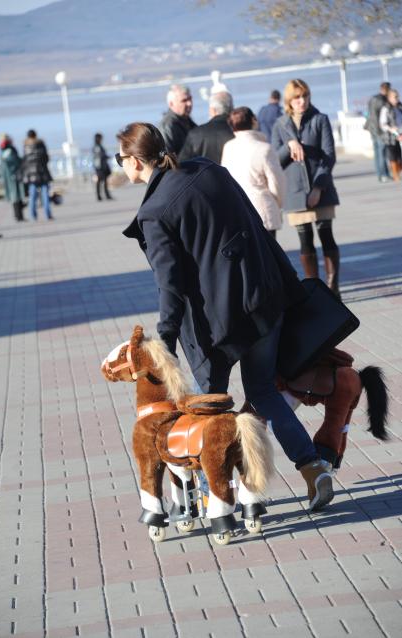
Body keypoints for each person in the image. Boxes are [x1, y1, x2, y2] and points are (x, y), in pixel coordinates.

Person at [117, 121, 334, 512]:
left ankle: (226, 497)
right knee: (264, 393)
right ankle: (312, 466)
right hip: (263, 298)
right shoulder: (208, 170)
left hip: (216, 324)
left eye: (121, 159)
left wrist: (163, 341)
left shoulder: (154, 211)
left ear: (134, 161)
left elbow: (170, 285)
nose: (121, 165)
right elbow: (254, 225)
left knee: (208, 411)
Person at [272, 79, 341, 297]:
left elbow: (329, 155)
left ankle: (333, 288)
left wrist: (318, 188)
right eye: (297, 98)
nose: (302, 101)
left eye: (305, 96)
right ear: (289, 101)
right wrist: (288, 146)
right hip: (295, 192)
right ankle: (315, 289)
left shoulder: (320, 119)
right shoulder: (280, 125)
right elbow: (275, 161)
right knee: (305, 241)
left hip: (321, 190)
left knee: (326, 235)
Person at [221, 106, 285, 239]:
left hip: (238, 210)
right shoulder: (265, 149)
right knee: (269, 255)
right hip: (263, 208)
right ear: (254, 121)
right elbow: (277, 182)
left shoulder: (228, 147)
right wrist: (277, 203)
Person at [179, 91, 234, 163]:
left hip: (205, 173)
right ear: (232, 108)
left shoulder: (195, 134)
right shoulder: (239, 130)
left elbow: (182, 163)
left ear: (212, 110)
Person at [22, 129, 53, 221]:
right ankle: (48, 215)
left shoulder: (26, 146)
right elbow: (46, 157)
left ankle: (33, 216)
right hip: (42, 172)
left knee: (32, 196)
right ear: (35, 135)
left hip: (31, 174)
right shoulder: (40, 144)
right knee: (45, 194)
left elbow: (24, 160)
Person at [364, 82, 392, 183]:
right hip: (378, 129)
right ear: (386, 89)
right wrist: (380, 131)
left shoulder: (373, 98)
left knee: (377, 153)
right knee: (382, 152)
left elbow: (368, 114)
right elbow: (377, 117)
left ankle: (380, 174)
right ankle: (384, 174)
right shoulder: (381, 100)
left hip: (373, 129)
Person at [159, 84, 196, 155]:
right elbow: (166, 157)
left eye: (190, 99)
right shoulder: (167, 126)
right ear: (171, 104)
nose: (189, 103)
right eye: (184, 100)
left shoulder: (187, 121)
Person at [0, 134, 26, 222]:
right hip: (13, 175)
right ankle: (19, 216)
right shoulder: (9, 150)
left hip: (8, 176)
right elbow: (15, 161)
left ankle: (18, 215)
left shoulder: (3, 150)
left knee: (14, 195)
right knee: (16, 195)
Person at [379, 88, 402, 182]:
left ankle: (398, 172)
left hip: (401, 134)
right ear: (389, 98)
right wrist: (391, 129)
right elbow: (383, 124)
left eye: (397, 96)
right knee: (393, 157)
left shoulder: (400, 106)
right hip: (390, 137)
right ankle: (395, 175)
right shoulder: (386, 109)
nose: (396, 99)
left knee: (400, 157)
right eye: (394, 97)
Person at [92, 133, 113, 200]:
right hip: (100, 167)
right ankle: (102, 195)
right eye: (100, 138)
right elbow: (100, 156)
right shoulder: (97, 147)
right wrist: (106, 157)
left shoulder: (97, 146)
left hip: (100, 166)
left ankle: (101, 195)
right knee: (101, 181)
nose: (101, 139)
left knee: (101, 181)